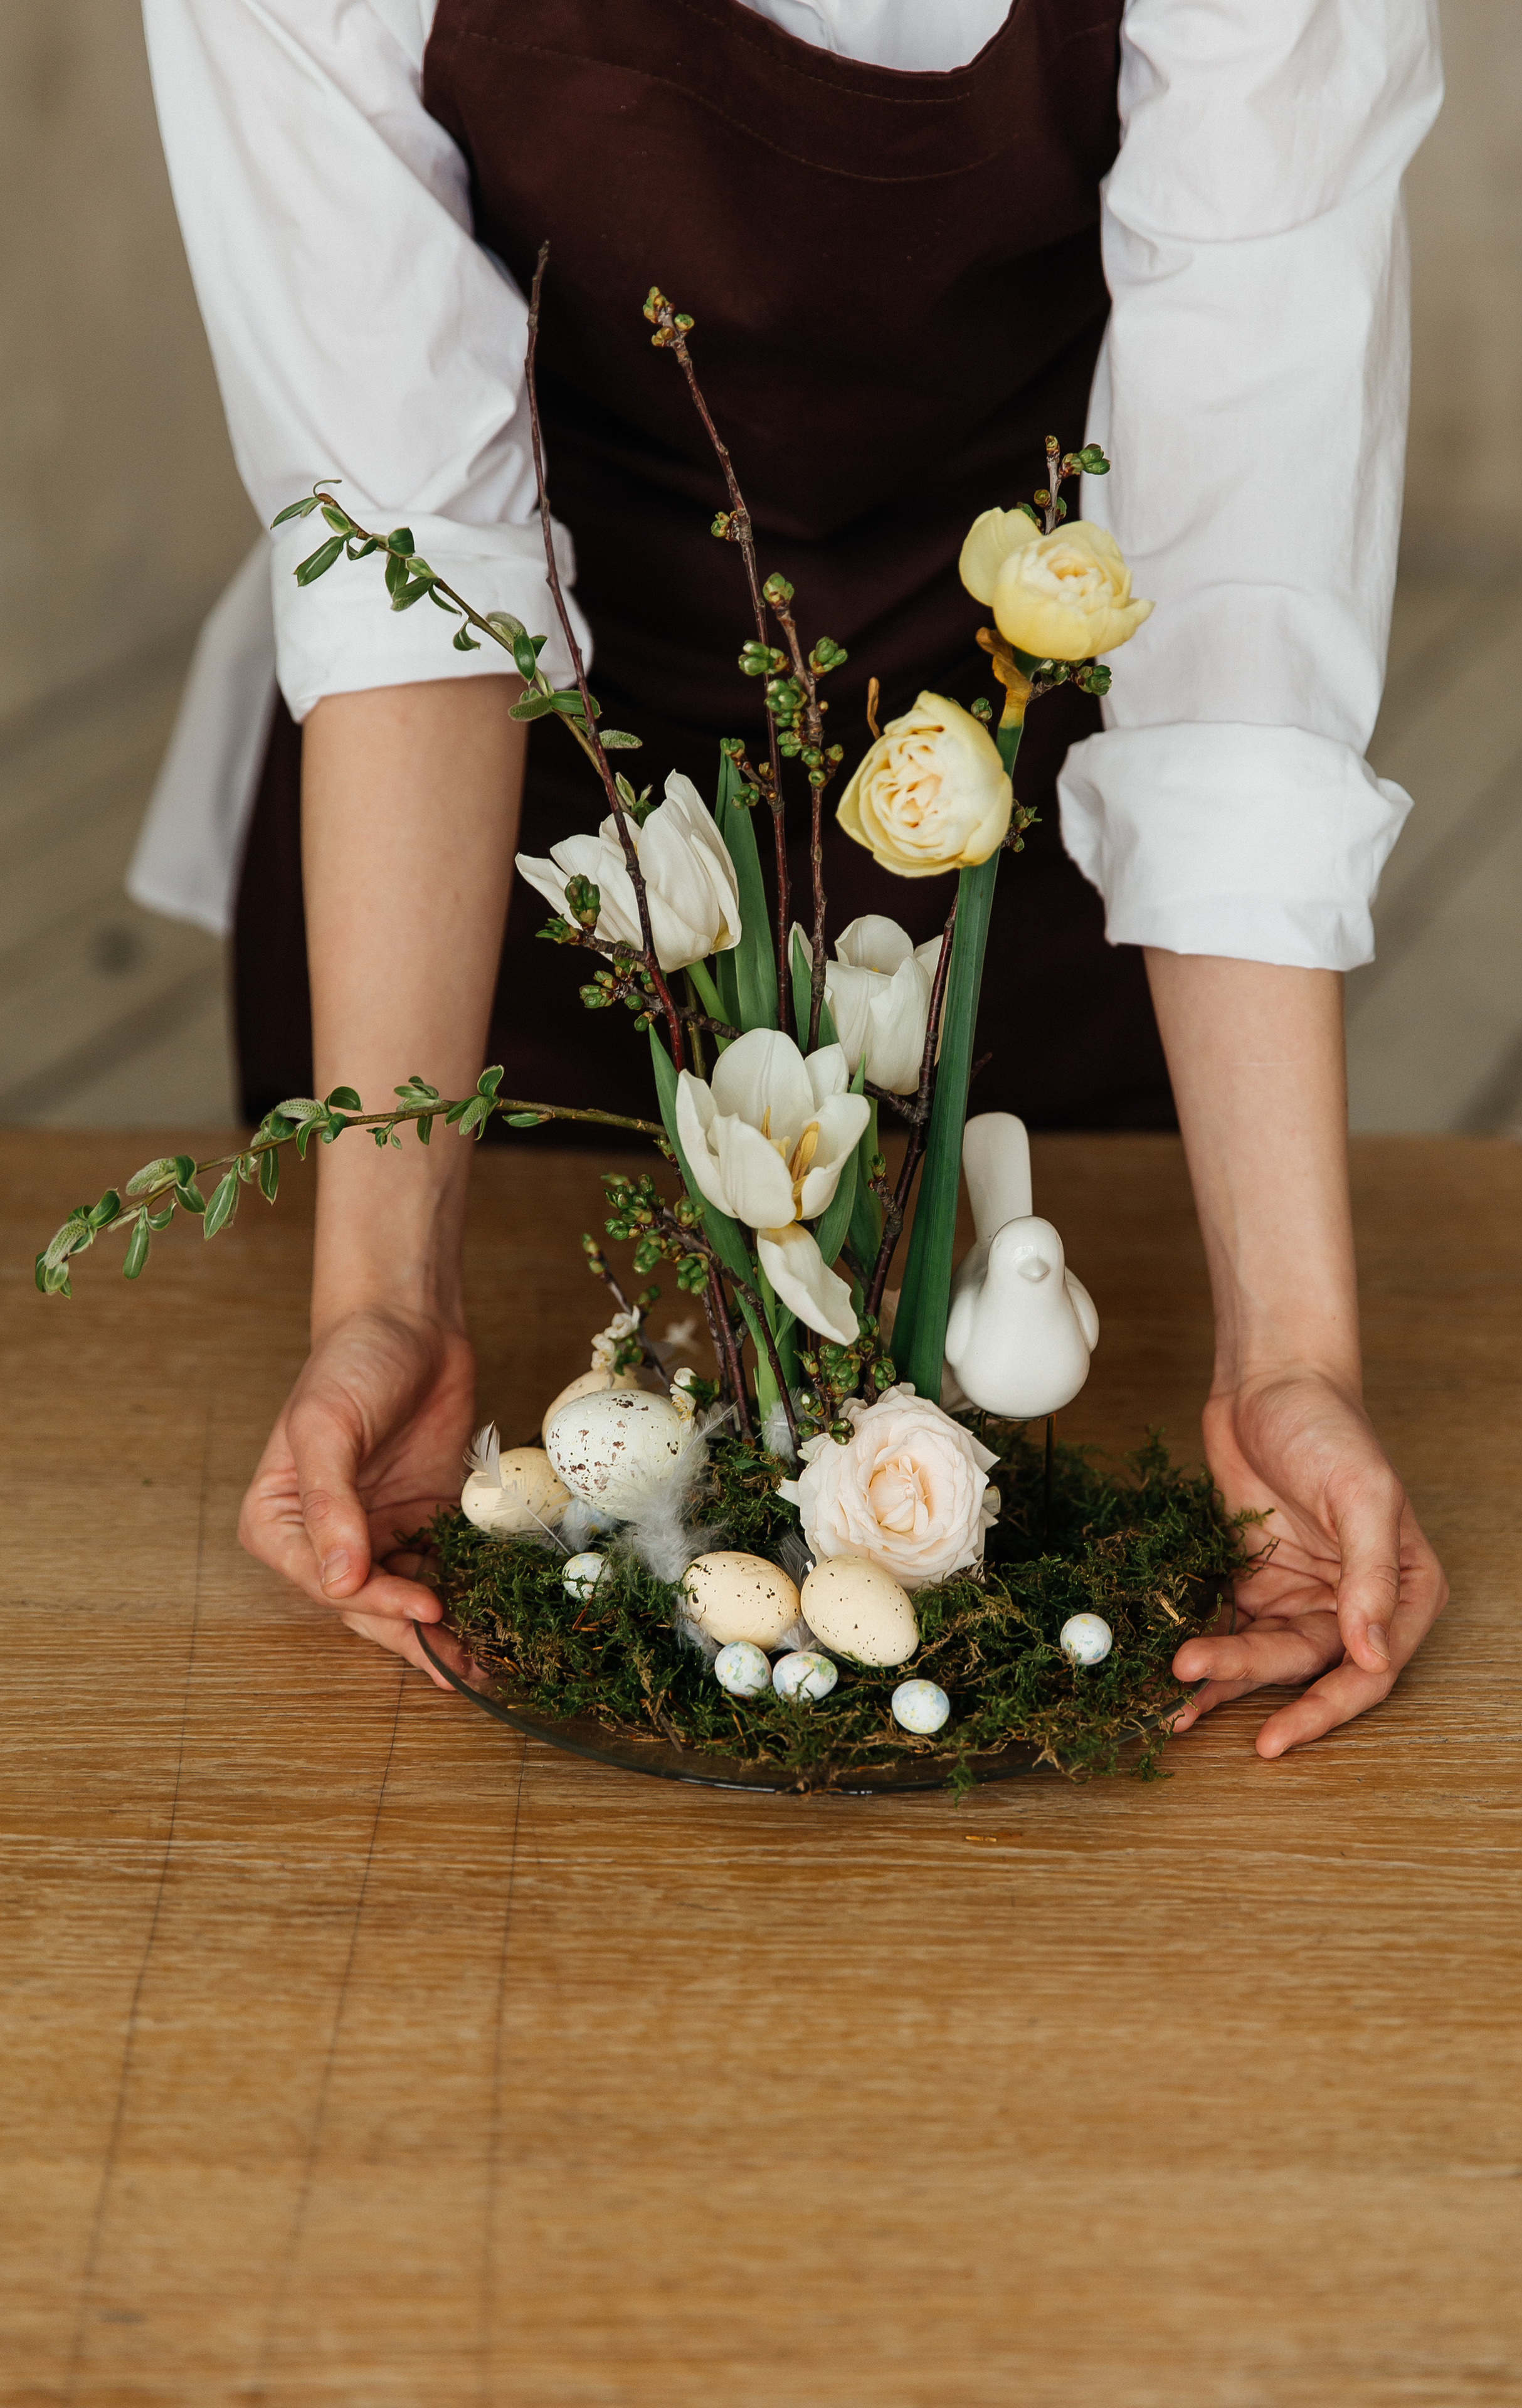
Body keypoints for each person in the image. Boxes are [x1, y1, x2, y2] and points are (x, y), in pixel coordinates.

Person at [137, 0, 1449, 1756]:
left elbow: (1240, 591)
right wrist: (384, 1297)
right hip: (516, 855)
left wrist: (1291, 1353)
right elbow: (407, 560)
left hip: (1031, 818)